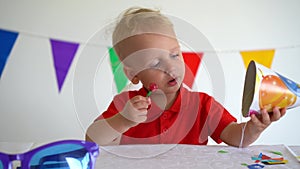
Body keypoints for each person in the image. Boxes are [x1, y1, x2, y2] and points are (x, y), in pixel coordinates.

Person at [86, 7, 286, 147]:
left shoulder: (202, 105)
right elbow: (91, 140)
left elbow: (236, 138)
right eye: (155, 63)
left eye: (175, 55)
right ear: (133, 74)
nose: (170, 66)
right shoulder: (125, 105)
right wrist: (123, 120)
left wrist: (254, 128)